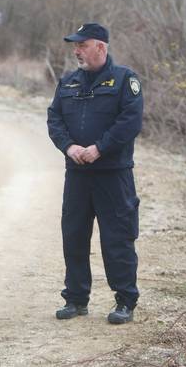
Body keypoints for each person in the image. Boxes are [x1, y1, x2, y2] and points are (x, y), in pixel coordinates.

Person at [47, 23, 143, 325]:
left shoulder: (125, 80)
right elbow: (54, 118)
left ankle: (125, 301)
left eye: (82, 45)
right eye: (75, 46)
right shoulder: (68, 82)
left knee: (117, 239)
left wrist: (100, 148)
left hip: (113, 175)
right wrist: (69, 146)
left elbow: (130, 121)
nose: (76, 51)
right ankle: (76, 299)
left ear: (100, 47)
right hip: (77, 174)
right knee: (73, 236)